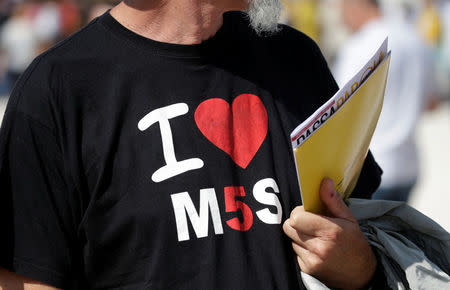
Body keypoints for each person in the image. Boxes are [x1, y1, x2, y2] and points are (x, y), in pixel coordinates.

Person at [0, 0, 383, 289]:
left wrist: (361, 267)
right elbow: (30, 278)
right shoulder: (58, 90)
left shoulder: (295, 58)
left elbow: (360, 224)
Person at [334, 0, 433, 202]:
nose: (341, 18)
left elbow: (338, 111)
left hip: (370, 167)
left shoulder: (359, 46)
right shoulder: (414, 38)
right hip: (408, 165)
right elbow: (433, 101)